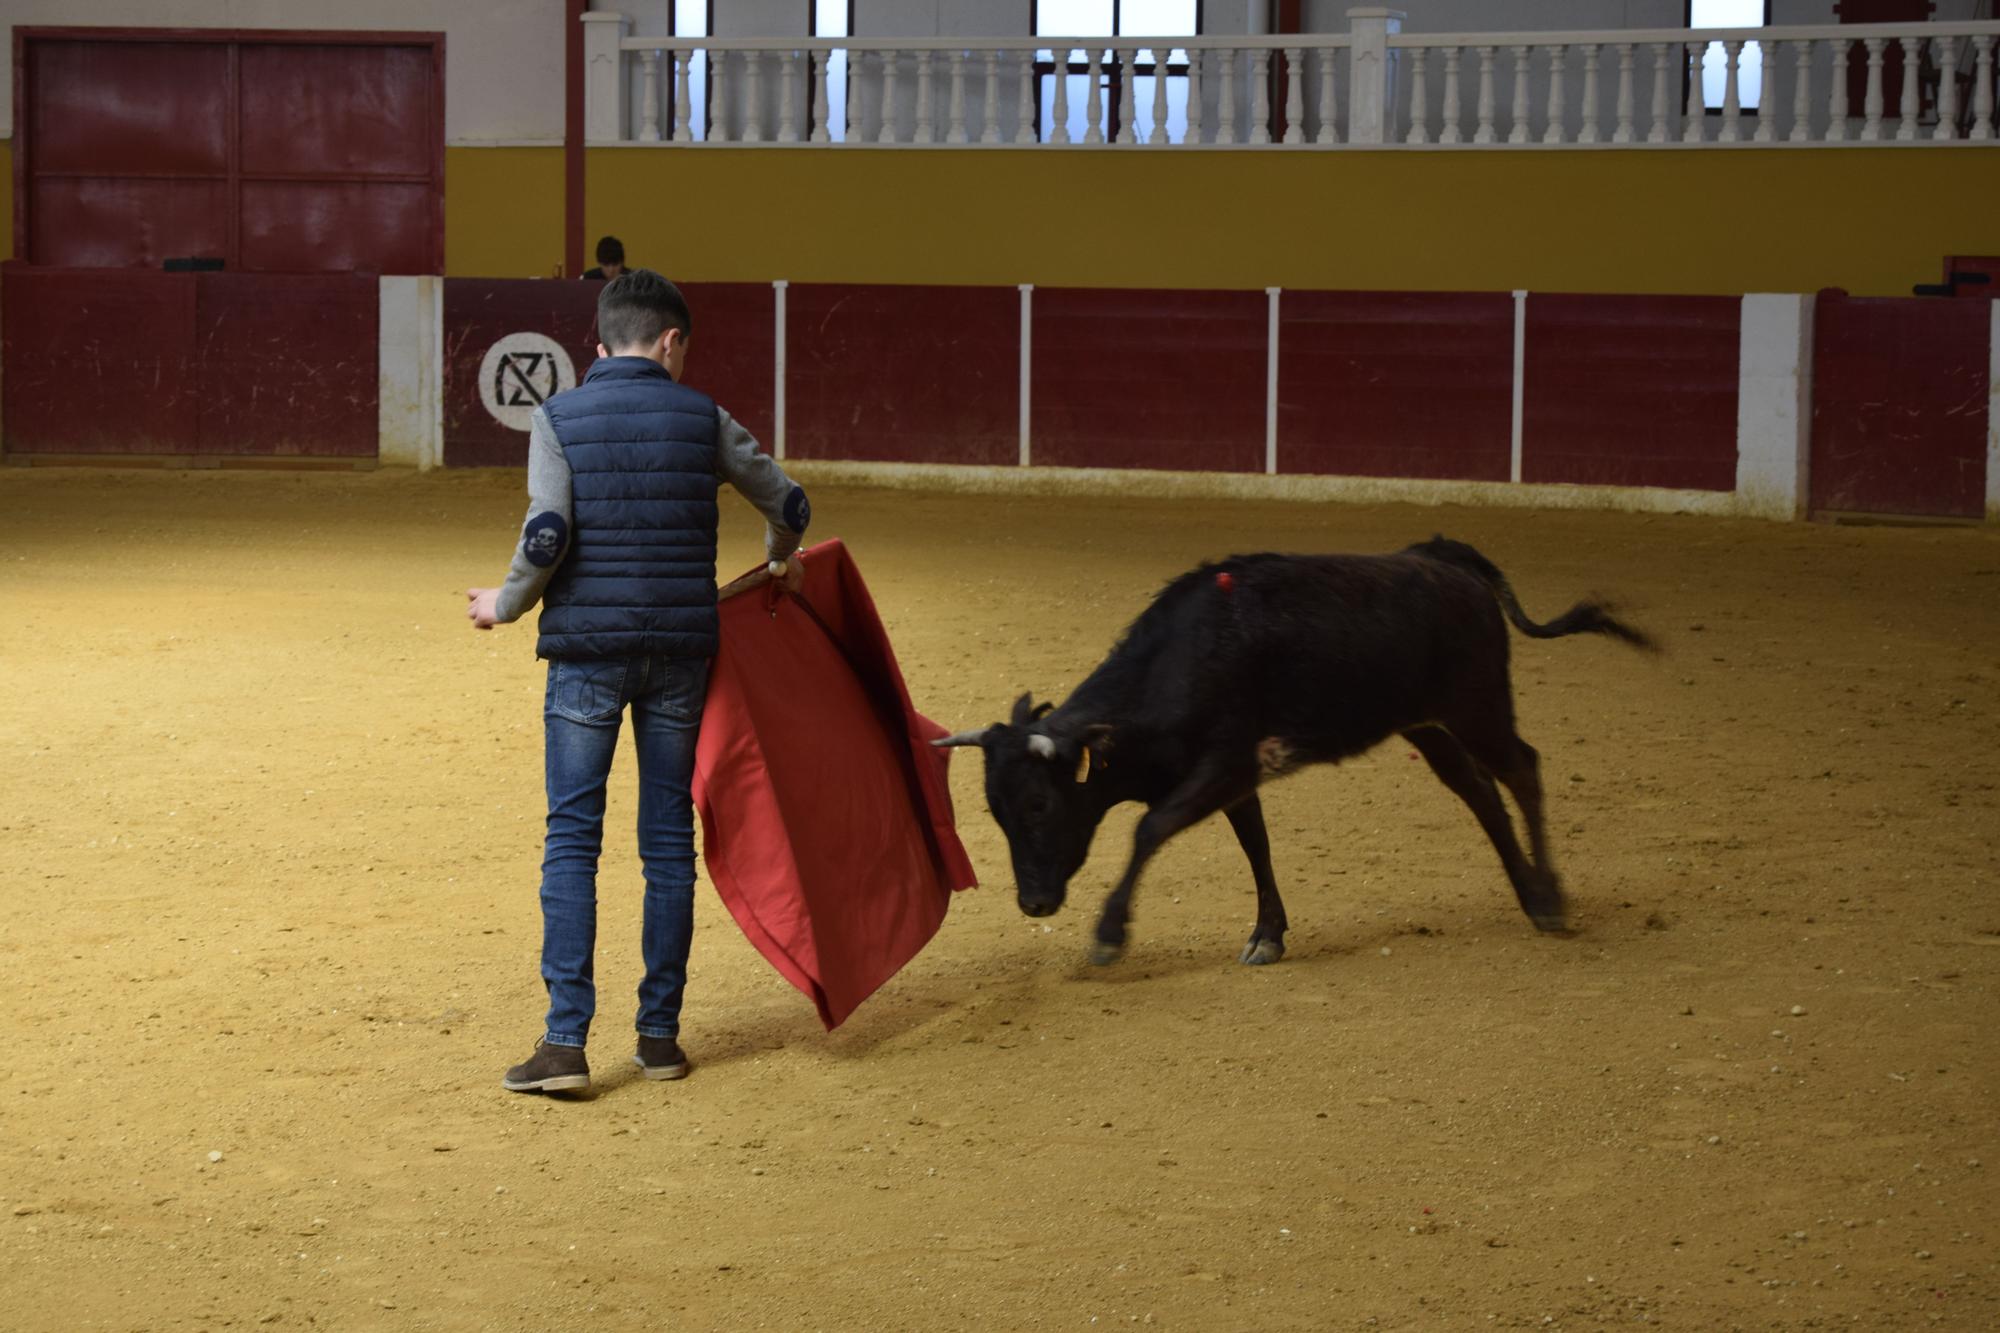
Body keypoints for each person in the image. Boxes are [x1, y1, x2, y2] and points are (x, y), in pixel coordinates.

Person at [466, 269, 812, 1094]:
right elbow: (790, 502)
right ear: (670, 343)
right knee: (666, 846)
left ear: (598, 344)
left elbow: (548, 532)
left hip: (586, 653)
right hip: (680, 655)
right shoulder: (703, 418)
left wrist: (506, 602)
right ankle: (658, 1038)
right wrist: (778, 561)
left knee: (572, 841)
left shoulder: (558, 415)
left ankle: (564, 1044)